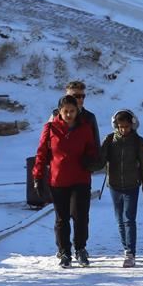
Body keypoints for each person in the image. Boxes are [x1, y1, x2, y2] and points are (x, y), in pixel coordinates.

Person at [34, 95, 98, 268]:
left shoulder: (85, 128)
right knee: (62, 219)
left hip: (80, 178)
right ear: (59, 112)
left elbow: (92, 149)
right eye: (65, 111)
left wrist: (90, 159)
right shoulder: (50, 128)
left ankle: (80, 248)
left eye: (72, 111)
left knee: (80, 216)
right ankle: (64, 251)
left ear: (77, 111)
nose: (69, 115)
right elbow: (41, 153)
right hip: (58, 180)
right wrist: (37, 176)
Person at [100, 110, 143, 268]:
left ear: (133, 125)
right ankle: (125, 248)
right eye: (120, 127)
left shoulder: (137, 141)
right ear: (115, 125)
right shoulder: (109, 140)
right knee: (119, 221)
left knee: (129, 219)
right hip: (114, 185)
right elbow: (100, 160)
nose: (124, 130)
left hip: (132, 185)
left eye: (127, 126)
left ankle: (130, 252)